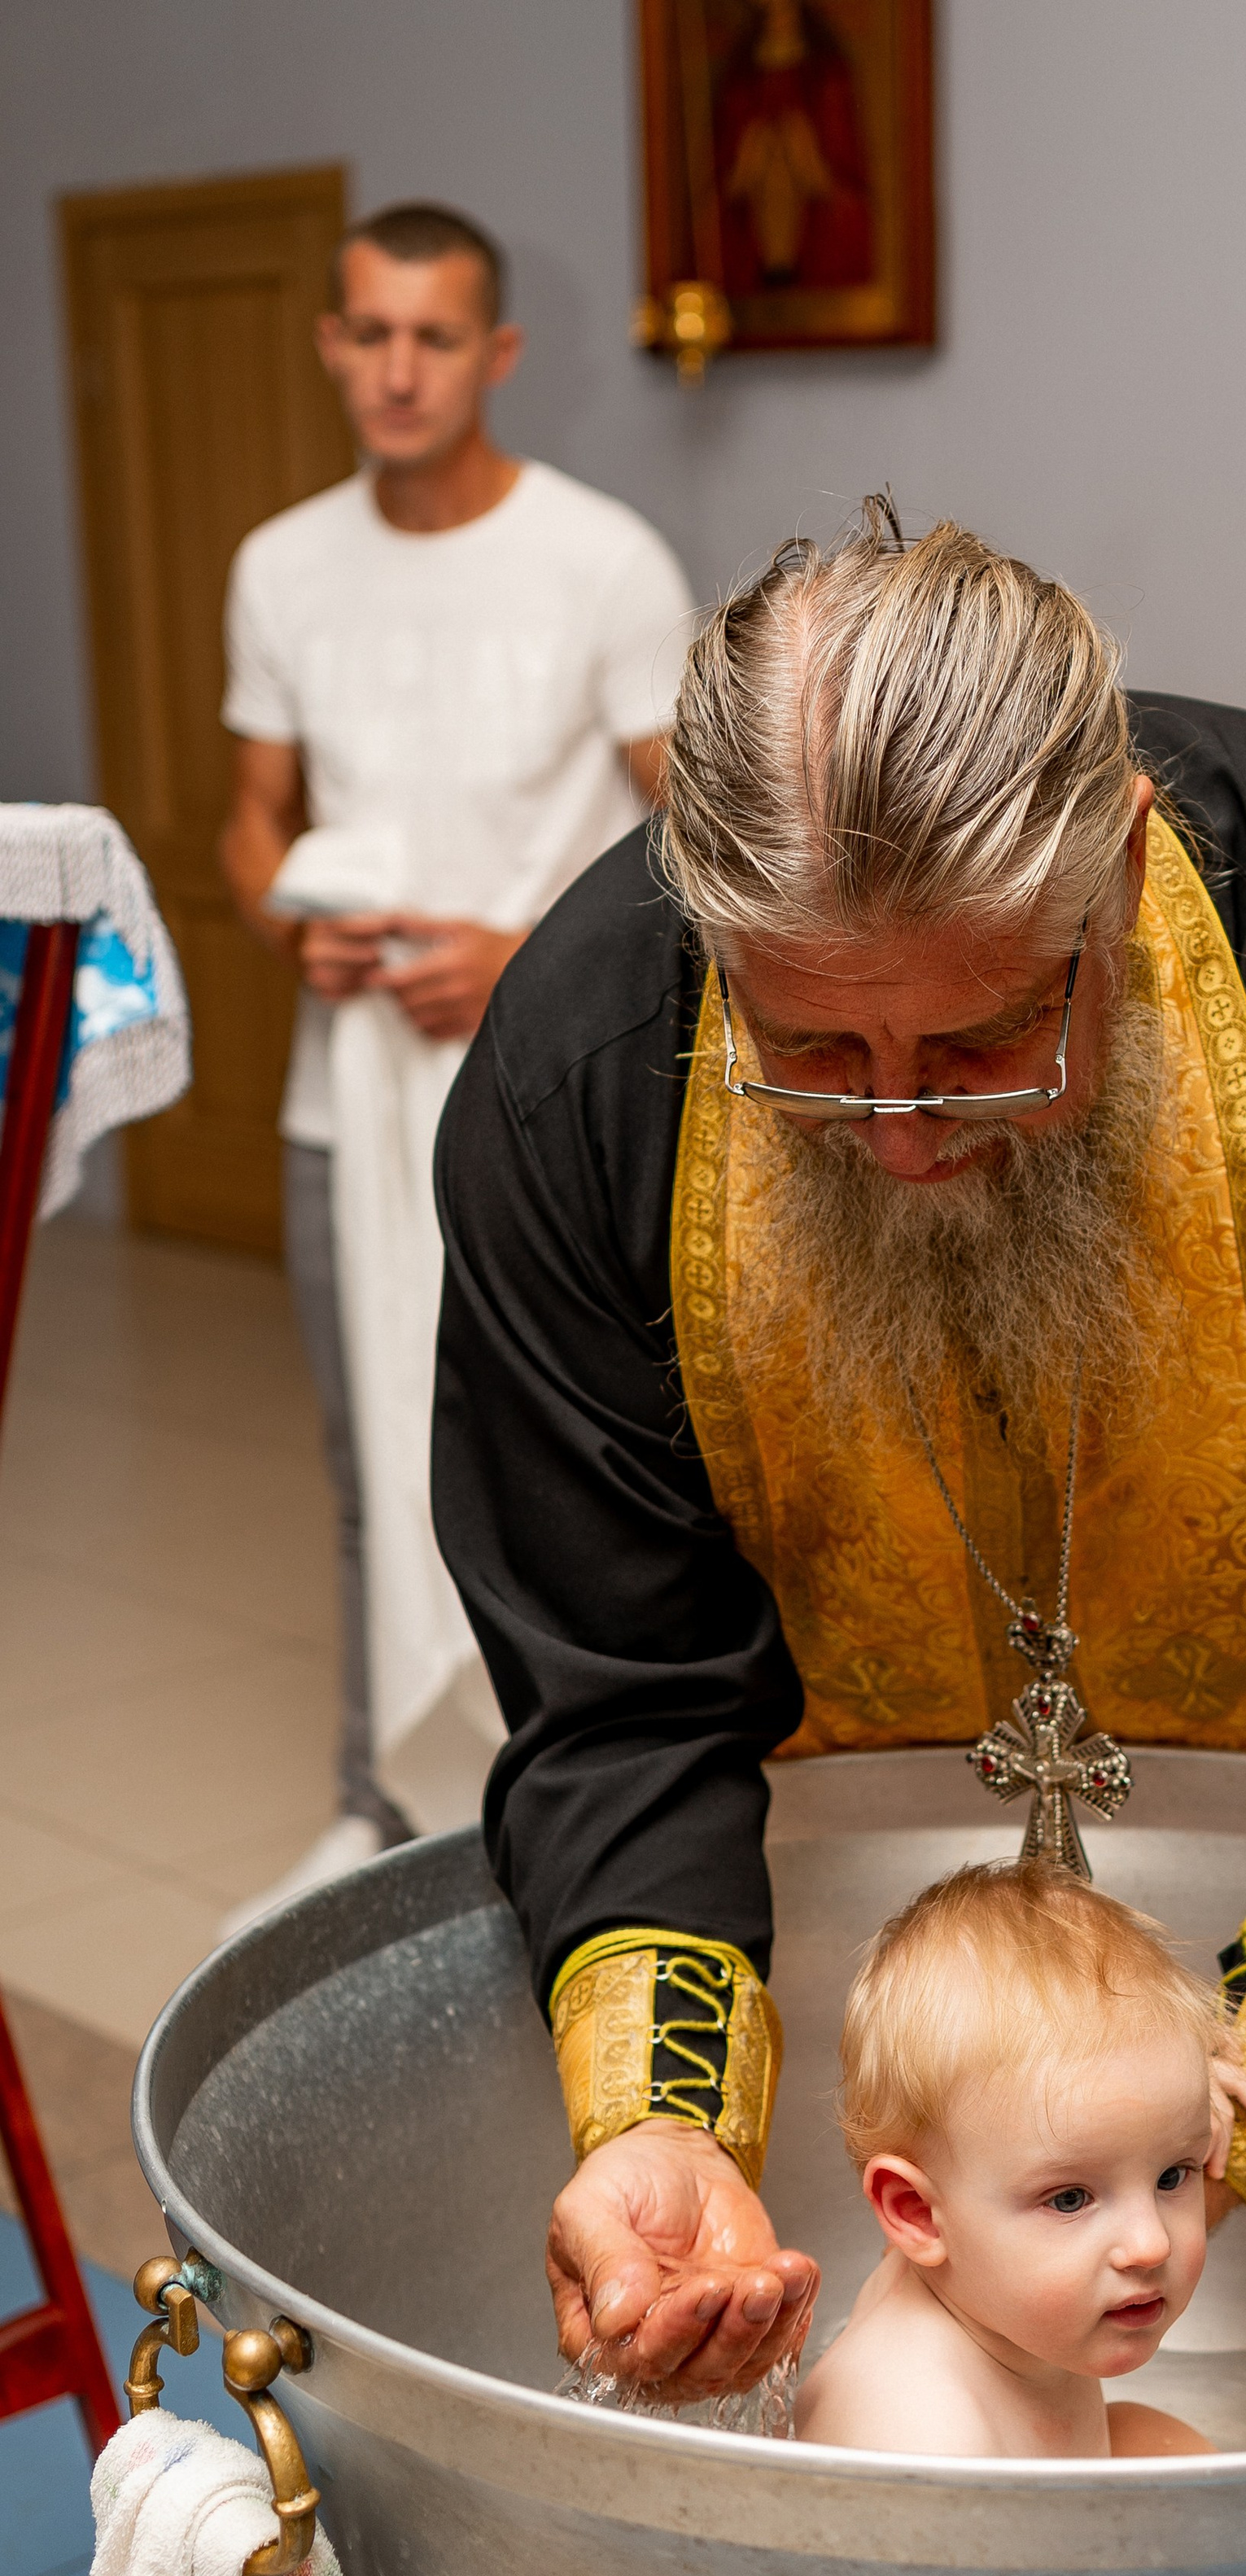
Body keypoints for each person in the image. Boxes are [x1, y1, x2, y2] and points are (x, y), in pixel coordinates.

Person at [432, 498, 1246, 2429]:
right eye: (814, 1054)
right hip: (832, 1856)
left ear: (1119, 874)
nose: (902, 1135)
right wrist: (664, 2124)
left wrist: (1225, 2097)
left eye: (984, 1040)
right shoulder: (580, 1073)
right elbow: (615, 1673)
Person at [218, 199, 694, 1922]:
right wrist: (286, 921)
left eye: (434, 337)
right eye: (370, 333)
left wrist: (522, 959)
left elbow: (702, 836)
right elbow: (253, 816)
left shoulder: (601, 561)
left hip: (548, 1104)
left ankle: (586, 1794)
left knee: (567, 1455)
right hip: (340, 1098)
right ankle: (378, 1804)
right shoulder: (281, 565)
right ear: (331, 344)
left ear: (495, 354)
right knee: (373, 1460)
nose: (399, 371)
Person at [796, 1861, 1246, 2459]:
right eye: (1069, 2199)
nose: (1151, 2245)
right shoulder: (923, 2440)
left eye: (1172, 2174)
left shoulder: (998, 2299)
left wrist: (1180, 2093)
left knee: (1154, 2440)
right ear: (917, 2212)